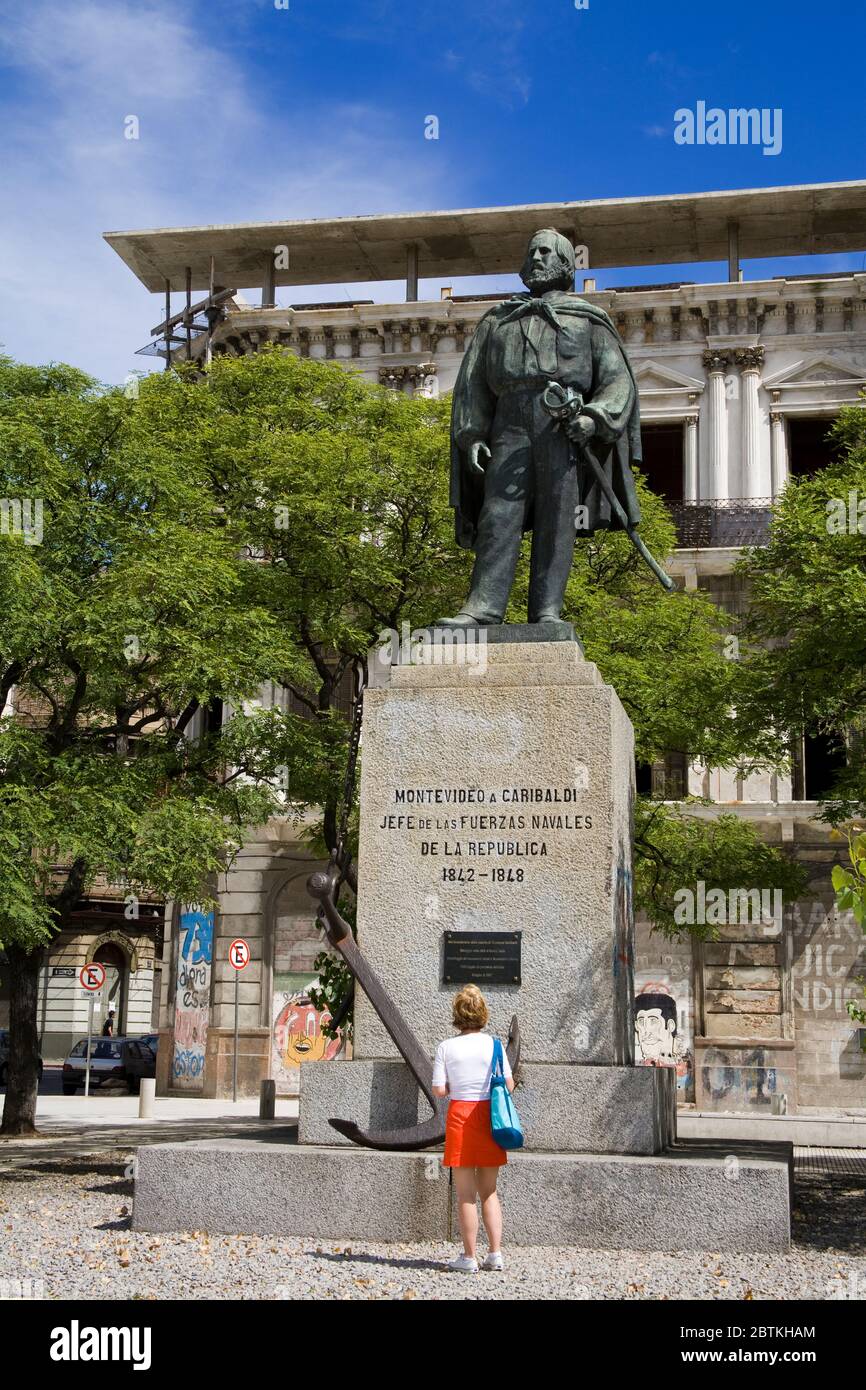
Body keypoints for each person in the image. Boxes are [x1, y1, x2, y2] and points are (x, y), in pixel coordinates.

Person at [439, 227, 642, 629]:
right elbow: (473, 384)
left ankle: (547, 610)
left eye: (546, 253)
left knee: (558, 516)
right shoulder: (496, 321)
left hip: (561, 427)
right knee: (498, 514)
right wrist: (472, 434)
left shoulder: (589, 321)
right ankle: (483, 606)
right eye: (531, 253)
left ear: (567, 265)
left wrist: (593, 417)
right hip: (508, 423)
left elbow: (619, 382)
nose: (536, 259)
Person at [432, 984, 515, 1273]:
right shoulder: (494, 1046)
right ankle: (495, 1254)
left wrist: (459, 1084)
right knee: (489, 1192)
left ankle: (469, 1258)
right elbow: (509, 1085)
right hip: (489, 1118)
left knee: (466, 1194)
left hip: (461, 1118)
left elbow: (440, 1090)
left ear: (456, 1013)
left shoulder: (446, 1047)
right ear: (483, 1013)